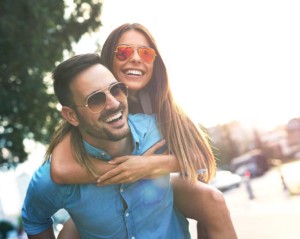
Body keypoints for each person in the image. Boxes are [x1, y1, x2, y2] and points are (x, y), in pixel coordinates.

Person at [51, 23, 237, 239]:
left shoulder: (166, 104)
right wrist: (125, 169)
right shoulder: (93, 108)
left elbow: (201, 157)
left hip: (156, 185)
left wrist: (146, 166)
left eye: (146, 53)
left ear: (155, 63)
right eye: (124, 52)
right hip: (104, 192)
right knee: (67, 232)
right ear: (106, 62)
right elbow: (60, 169)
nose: (136, 58)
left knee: (212, 200)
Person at [22, 53, 191, 239]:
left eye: (116, 89)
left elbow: (202, 162)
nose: (114, 103)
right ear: (71, 116)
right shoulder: (51, 179)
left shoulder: (157, 130)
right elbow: (34, 219)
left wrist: (150, 165)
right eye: (95, 99)